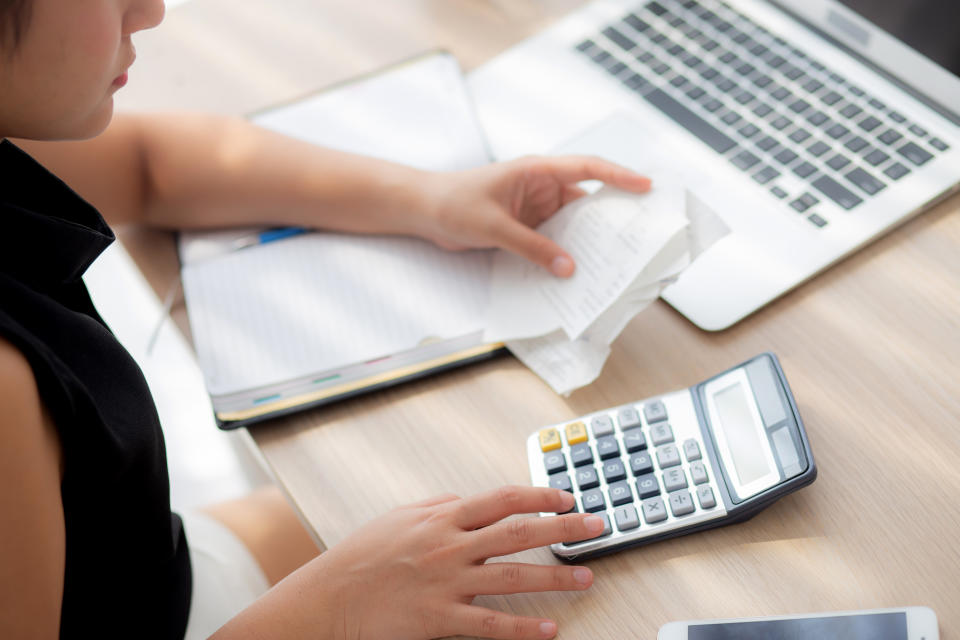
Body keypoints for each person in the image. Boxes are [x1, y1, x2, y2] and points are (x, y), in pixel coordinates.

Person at [0, 0, 654, 638]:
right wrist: (335, 608)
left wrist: (432, 198)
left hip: (147, 575)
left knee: (460, 505)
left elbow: (151, 164)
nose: (151, 9)